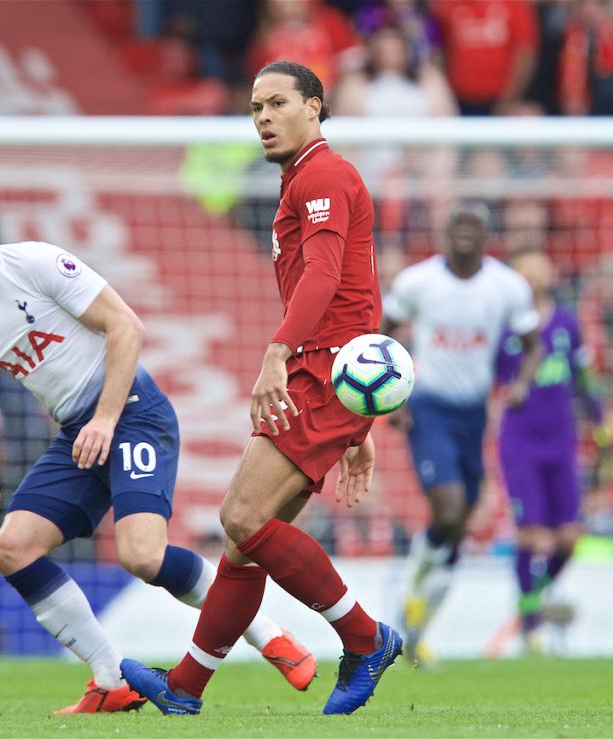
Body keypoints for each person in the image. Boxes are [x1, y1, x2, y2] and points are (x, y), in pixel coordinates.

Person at [0, 183, 318, 714]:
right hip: (79, 432)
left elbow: (126, 325)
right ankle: (108, 679)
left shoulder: (34, 263)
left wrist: (105, 418)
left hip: (135, 411)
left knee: (141, 555)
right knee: (11, 549)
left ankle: (270, 637)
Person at [121, 59, 402, 717]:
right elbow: (363, 289)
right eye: (256, 107)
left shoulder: (325, 175)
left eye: (278, 102)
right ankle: (185, 690)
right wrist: (357, 421)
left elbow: (328, 277)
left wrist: (279, 353)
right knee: (248, 540)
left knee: (241, 518)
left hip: (321, 370)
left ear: (315, 105)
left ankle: (366, 639)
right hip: (336, 376)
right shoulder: (303, 179)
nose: (265, 117)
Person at [381, 201, 542, 666]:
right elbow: (384, 335)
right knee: (448, 509)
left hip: (474, 414)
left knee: (459, 527)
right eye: (458, 224)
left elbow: (532, 345)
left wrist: (522, 383)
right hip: (429, 409)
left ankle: (416, 630)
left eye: (474, 225)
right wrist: (394, 396)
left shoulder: (507, 286)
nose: (466, 232)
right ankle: (412, 585)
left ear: (487, 233)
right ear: (443, 230)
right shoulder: (418, 281)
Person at [495, 249, 610, 652]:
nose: (531, 277)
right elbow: (491, 377)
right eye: (524, 271)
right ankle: (531, 624)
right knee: (531, 535)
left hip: (561, 441)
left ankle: (535, 596)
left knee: (569, 538)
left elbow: (582, 376)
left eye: (538, 270)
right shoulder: (505, 326)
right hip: (520, 442)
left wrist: (599, 420)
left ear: (550, 275)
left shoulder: (566, 322)